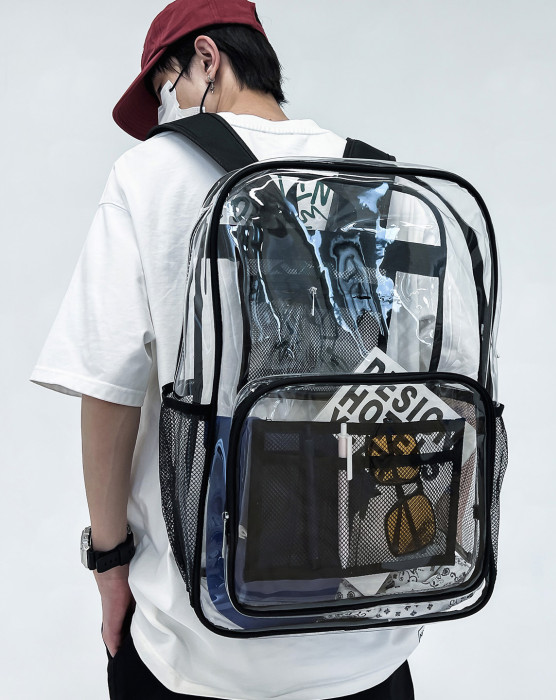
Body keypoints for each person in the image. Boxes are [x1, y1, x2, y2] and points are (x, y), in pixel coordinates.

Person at [30, 1, 420, 698]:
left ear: (207, 59)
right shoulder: (386, 186)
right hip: (370, 646)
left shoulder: (149, 175)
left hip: (197, 650)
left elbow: (109, 392)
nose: (170, 114)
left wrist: (110, 566)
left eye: (167, 89)